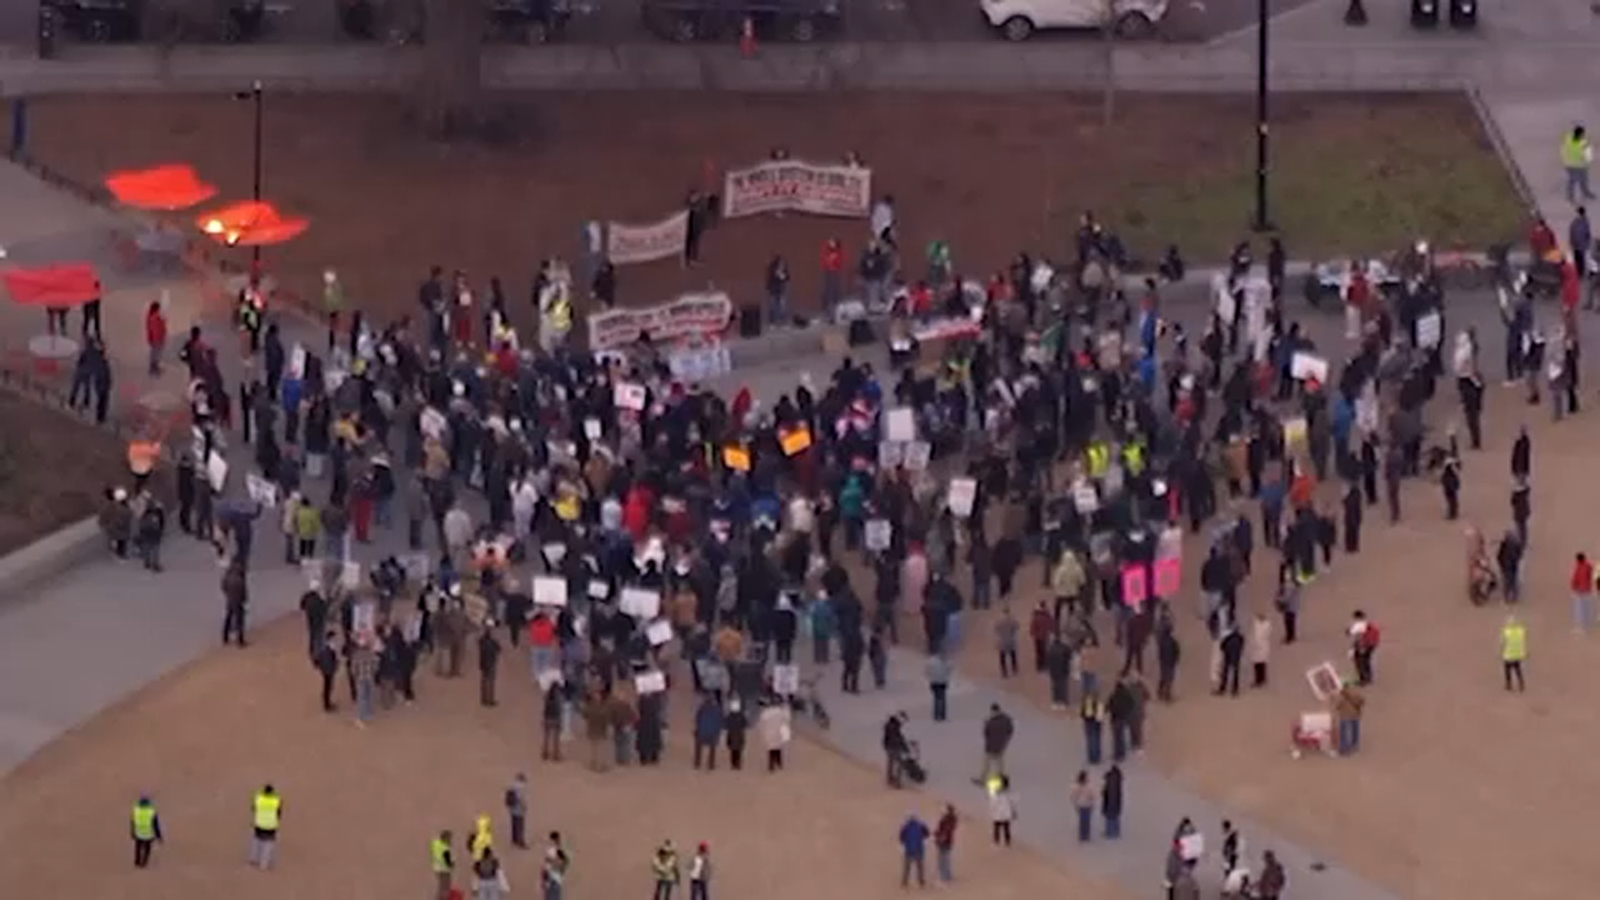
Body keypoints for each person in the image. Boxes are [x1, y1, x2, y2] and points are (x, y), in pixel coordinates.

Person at [249, 783, 283, 870]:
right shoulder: (277, 800)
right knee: (268, 844)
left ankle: (254, 859)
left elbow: (253, 809)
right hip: (271, 825)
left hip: (259, 823)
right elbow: (279, 813)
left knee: (256, 841)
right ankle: (264, 864)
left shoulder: (258, 798)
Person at [898, 813, 930, 887]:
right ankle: (921, 881)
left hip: (909, 850)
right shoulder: (921, 825)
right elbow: (927, 834)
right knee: (920, 867)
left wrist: (902, 846)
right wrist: (924, 841)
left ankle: (904, 882)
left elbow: (901, 838)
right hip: (919, 849)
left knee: (907, 867)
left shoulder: (905, 827)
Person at [131, 795, 163, 868]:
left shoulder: (136, 811)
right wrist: (159, 836)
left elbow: (133, 823)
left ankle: (137, 861)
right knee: (147, 848)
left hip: (138, 832)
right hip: (148, 834)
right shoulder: (152, 812)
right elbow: (156, 825)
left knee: (138, 847)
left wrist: (132, 832)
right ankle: (144, 862)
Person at [1501, 614, 1528, 692]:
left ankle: (1508, 683)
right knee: (1517, 668)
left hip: (1508, 654)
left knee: (1507, 669)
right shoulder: (1520, 630)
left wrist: (1501, 651)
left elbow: (1503, 642)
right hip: (1518, 653)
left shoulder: (1506, 631)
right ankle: (1521, 682)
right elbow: (1524, 639)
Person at [987, 776, 1016, 846]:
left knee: (997, 827)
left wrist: (992, 810)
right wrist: (1013, 811)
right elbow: (1012, 802)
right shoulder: (1009, 792)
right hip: (1005, 811)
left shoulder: (996, 791)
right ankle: (1007, 842)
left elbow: (992, 801)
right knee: (1006, 827)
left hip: (998, 811)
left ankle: (997, 841)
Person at [541, 832, 570, 900]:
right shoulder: (559, 851)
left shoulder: (552, 851)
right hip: (556, 879)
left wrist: (544, 880)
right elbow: (565, 863)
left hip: (552, 879)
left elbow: (546, 868)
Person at [933, 805, 957, 882]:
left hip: (944, 841)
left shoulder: (946, 820)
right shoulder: (952, 819)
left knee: (942, 858)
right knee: (946, 857)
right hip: (948, 841)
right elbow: (948, 830)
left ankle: (944, 876)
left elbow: (944, 831)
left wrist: (939, 837)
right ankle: (947, 874)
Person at [1071, 770, 1096, 843]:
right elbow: (1092, 796)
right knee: (1087, 821)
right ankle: (1086, 836)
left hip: (1081, 805)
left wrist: (1075, 804)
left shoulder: (1076, 786)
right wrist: (1092, 804)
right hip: (1087, 805)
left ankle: (1082, 836)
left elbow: (1074, 796)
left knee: (1082, 821)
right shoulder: (1089, 786)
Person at [505, 774, 528, 848]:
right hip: (519, 810)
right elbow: (521, 799)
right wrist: (525, 807)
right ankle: (520, 841)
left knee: (514, 825)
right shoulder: (521, 788)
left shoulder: (512, 786)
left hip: (512, 809)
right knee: (520, 826)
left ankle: (514, 839)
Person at [432, 829, 456, 900]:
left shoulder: (436, 844)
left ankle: (438, 897)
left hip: (437, 867)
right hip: (445, 869)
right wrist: (452, 864)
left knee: (440, 885)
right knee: (446, 887)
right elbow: (448, 862)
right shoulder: (445, 848)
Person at [1101, 764, 1124, 838]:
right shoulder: (1118, 778)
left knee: (1109, 817)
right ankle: (1116, 831)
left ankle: (1109, 832)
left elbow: (1106, 791)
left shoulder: (1110, 779)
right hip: (1117, 800)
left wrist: (1104, 793)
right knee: (1116, 815)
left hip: (1109, 800)